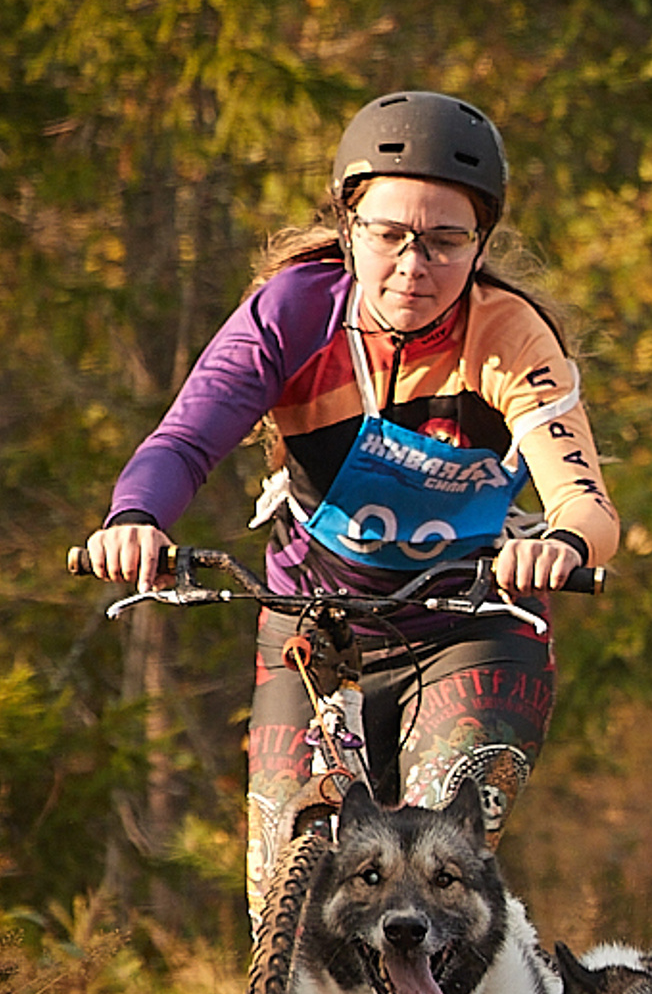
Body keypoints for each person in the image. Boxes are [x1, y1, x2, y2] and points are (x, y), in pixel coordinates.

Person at [83, 88, 620, 906]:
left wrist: (562, 545)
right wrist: (136, 518)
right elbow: (187, 438)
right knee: (283, 904)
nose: (414, 265)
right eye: (390, 235)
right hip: (312, 626)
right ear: (347, 224)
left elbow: (587, 503)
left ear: (482, 243)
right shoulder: (294, 311)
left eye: (446, 241)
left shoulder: (509, 335)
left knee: (436, 889)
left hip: (468, 627)